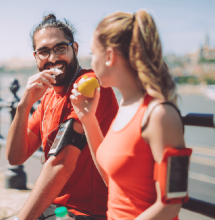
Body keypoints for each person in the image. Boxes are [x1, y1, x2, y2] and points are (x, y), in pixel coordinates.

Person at [70, 10, 186, 220]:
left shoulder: (160, 115)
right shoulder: (125, 106)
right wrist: (88, 119)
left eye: (93, 53)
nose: (91, 62)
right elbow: (111, 179)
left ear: (109, 56)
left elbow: (171, 204)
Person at [5, 14, 119, 220]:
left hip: (91, 213)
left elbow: (62, 163)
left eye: (60, 49)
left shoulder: (88, 86)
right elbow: (15, 157)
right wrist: (23, 106)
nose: (53, 58)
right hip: (58, 211)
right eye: (44, 52)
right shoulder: (48, 95)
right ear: (35, 57)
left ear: (74, 49)